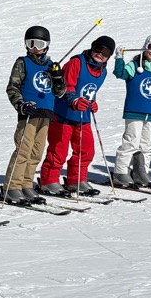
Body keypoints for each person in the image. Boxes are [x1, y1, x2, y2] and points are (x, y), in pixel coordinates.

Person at [39, 35, 115, 196]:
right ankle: (49, 180)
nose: (100, 54)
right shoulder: (76, 63)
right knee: (59, 149)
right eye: (98, 49)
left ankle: (76, 179)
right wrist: (74, 101)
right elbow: (66, 86)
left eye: (106, 52)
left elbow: (89, 91)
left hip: (83, 116)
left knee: (86, 149)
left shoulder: (102, 71)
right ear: (92, 47)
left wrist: (92, 103)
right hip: (63, 115)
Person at [0, 25, 65, 204]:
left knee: (37, 151)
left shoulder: (52, 66)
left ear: (47, 45)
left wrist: (58, 77)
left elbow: (60, 92)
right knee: (23, 149)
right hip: (29, 113)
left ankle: (26, 184)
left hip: (46, 114)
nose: (35, 47)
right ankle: (12, 186)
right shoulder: (22, 63)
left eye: (39, 43)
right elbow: (12, 87)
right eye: (31, 43)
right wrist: (20, 104)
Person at [109, 33, 151, 188]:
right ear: (145, 47)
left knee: (146, 144)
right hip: (135, 110)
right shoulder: (135, 65)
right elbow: (120, 74)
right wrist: (119, 58)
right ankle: (120, 172)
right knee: (131, 141)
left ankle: (141, 172)